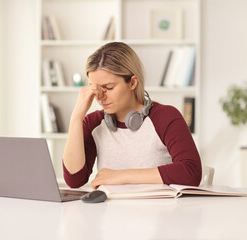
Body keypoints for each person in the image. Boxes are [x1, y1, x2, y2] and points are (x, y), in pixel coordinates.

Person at [63, 42, 202, 189]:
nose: (100, 96)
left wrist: (121, 176)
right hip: (111, 210)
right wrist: (76, 117)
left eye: (109, 88)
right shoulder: (93, 123)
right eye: (95, 89)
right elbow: (74, 180)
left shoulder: (165, 117)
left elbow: (191, 172)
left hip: (159, 210)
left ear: (133, 83)